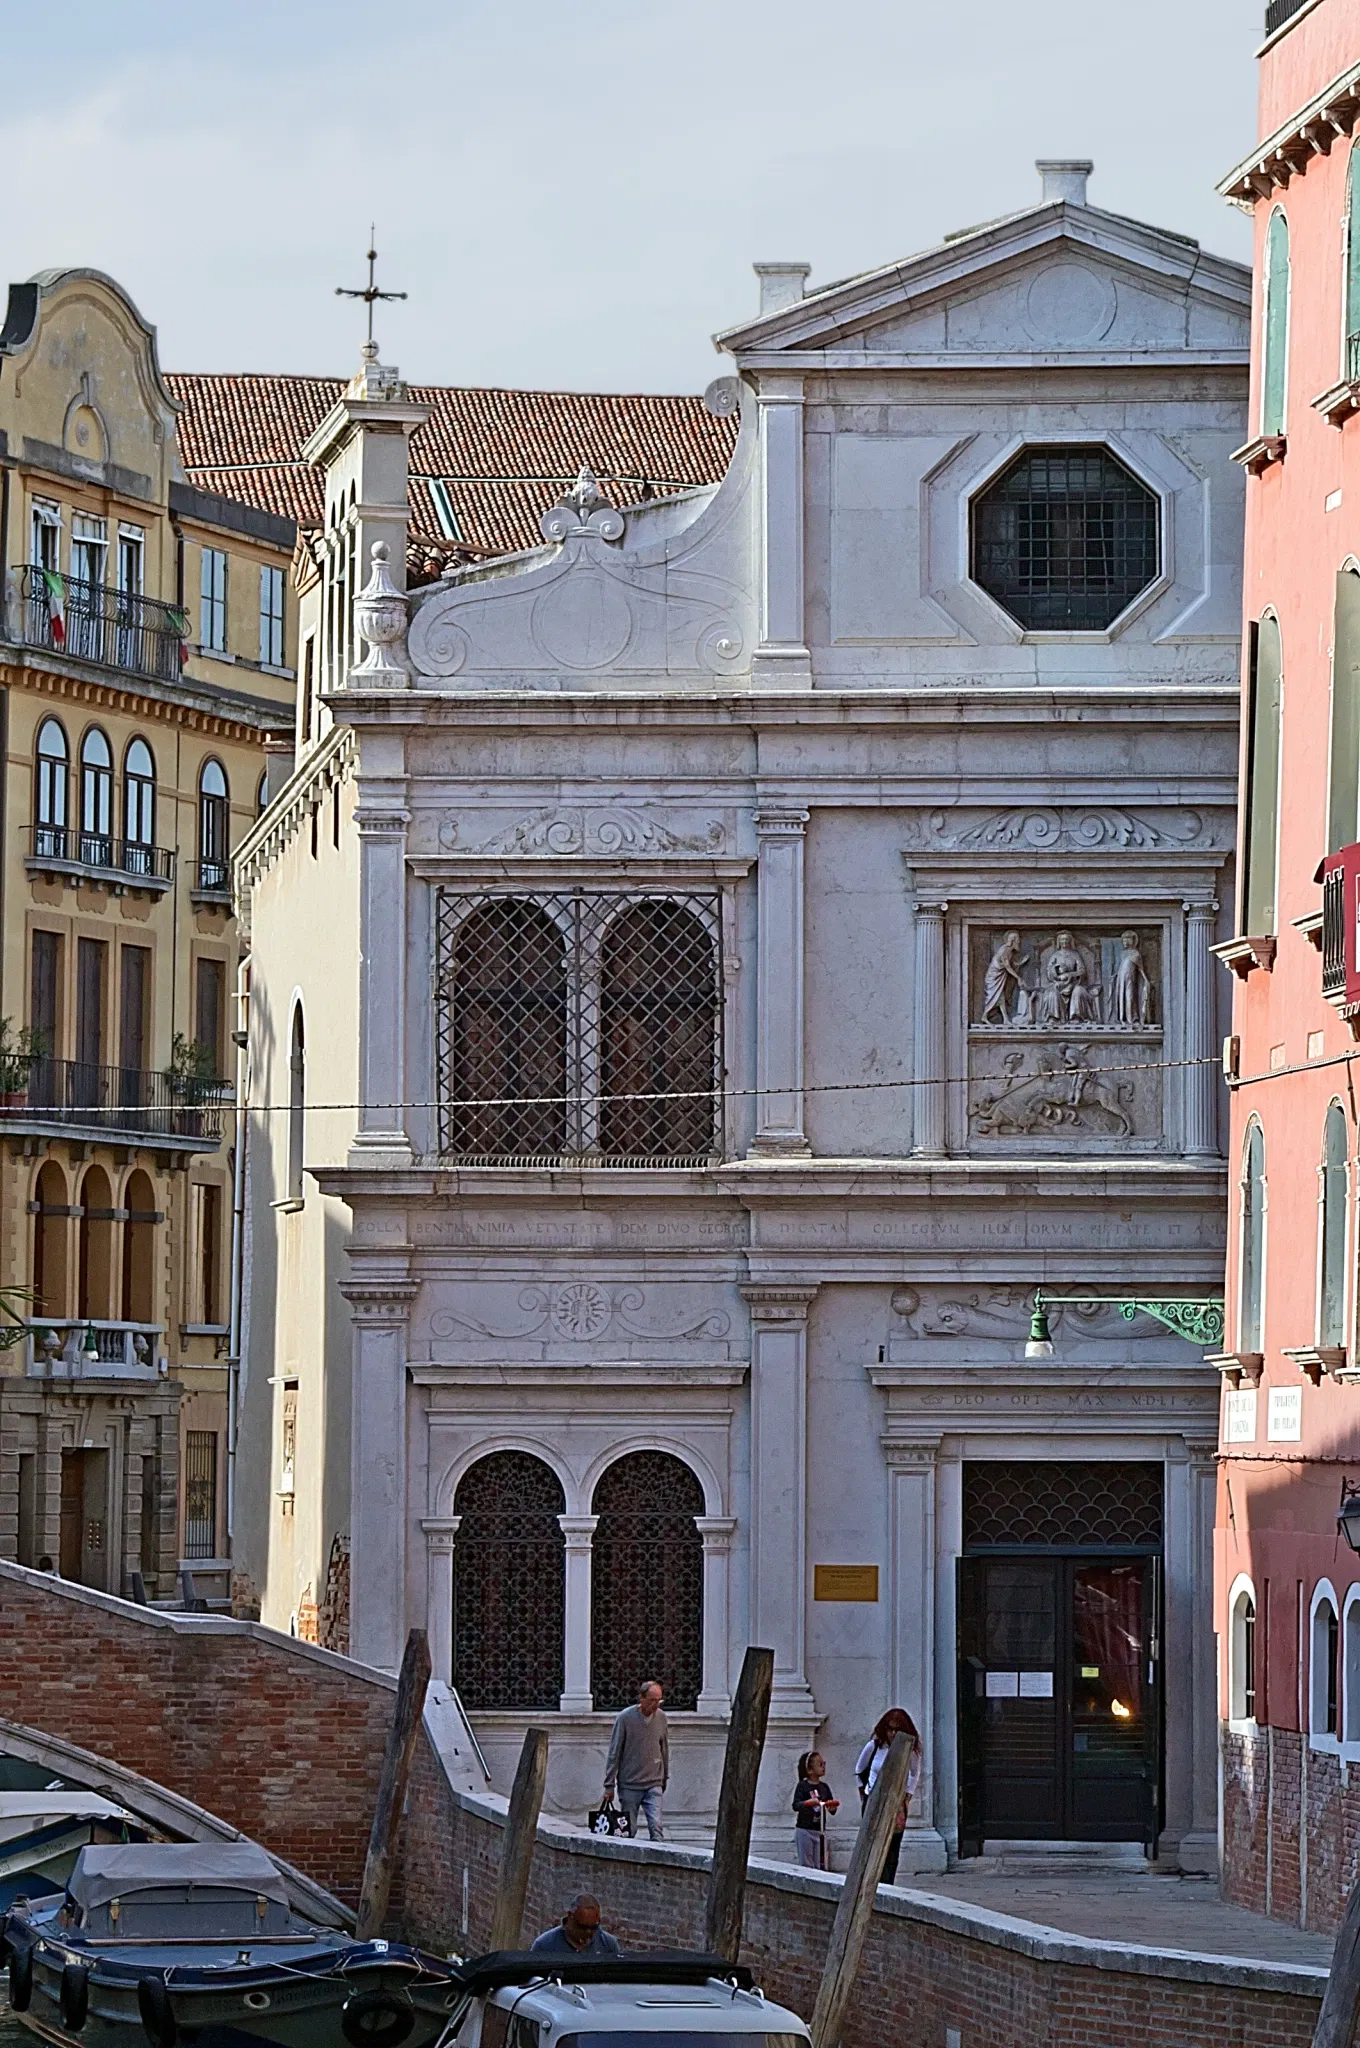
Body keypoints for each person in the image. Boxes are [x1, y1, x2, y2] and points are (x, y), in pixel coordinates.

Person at [855, 1708, 922, 1886]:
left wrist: (908, 1794)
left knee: (893, 1845)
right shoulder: (875, 1746)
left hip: (897, 1802)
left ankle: (887, 1881)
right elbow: (859, 1769)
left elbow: (914, 1773)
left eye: (896, 1730)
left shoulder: (910, 1750)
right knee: (870, 1841)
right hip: (874, 1798)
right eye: (890, 1729)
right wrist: (864, 1793)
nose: (892, 1733)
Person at [602, 1680, 668, 1840]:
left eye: (659, 1700)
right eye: (652, 1700)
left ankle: (658, 1858)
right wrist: (609, 1785)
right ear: (642, 1698)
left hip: (654, 1782)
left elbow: (664, 1747)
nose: (656, 1705)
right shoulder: (625, 1718)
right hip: (630, 1784)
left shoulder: (661, 1718)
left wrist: (665, 1775)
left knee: (656, 1825)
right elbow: (614, 1752)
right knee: (629, 1829)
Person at [531, 1893, 620, 1957]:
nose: (588, 1932)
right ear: (570, 1916)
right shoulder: (545, 1945)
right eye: (582, 1927)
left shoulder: (608, 1944)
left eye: (593, 1927)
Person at [791, 1750, 838, 1869]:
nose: (823, 1767)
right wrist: (808, 1803)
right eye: (820, 1764)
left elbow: (831, 1807)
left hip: (820, 1830)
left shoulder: (824, 1787)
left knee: (821, 1863)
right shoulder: (802, 1786)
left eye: (824, 1764)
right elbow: (796, 1805)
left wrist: (831, 1807)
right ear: (810, 1770)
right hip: (805, 1829)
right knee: (806, 1863)